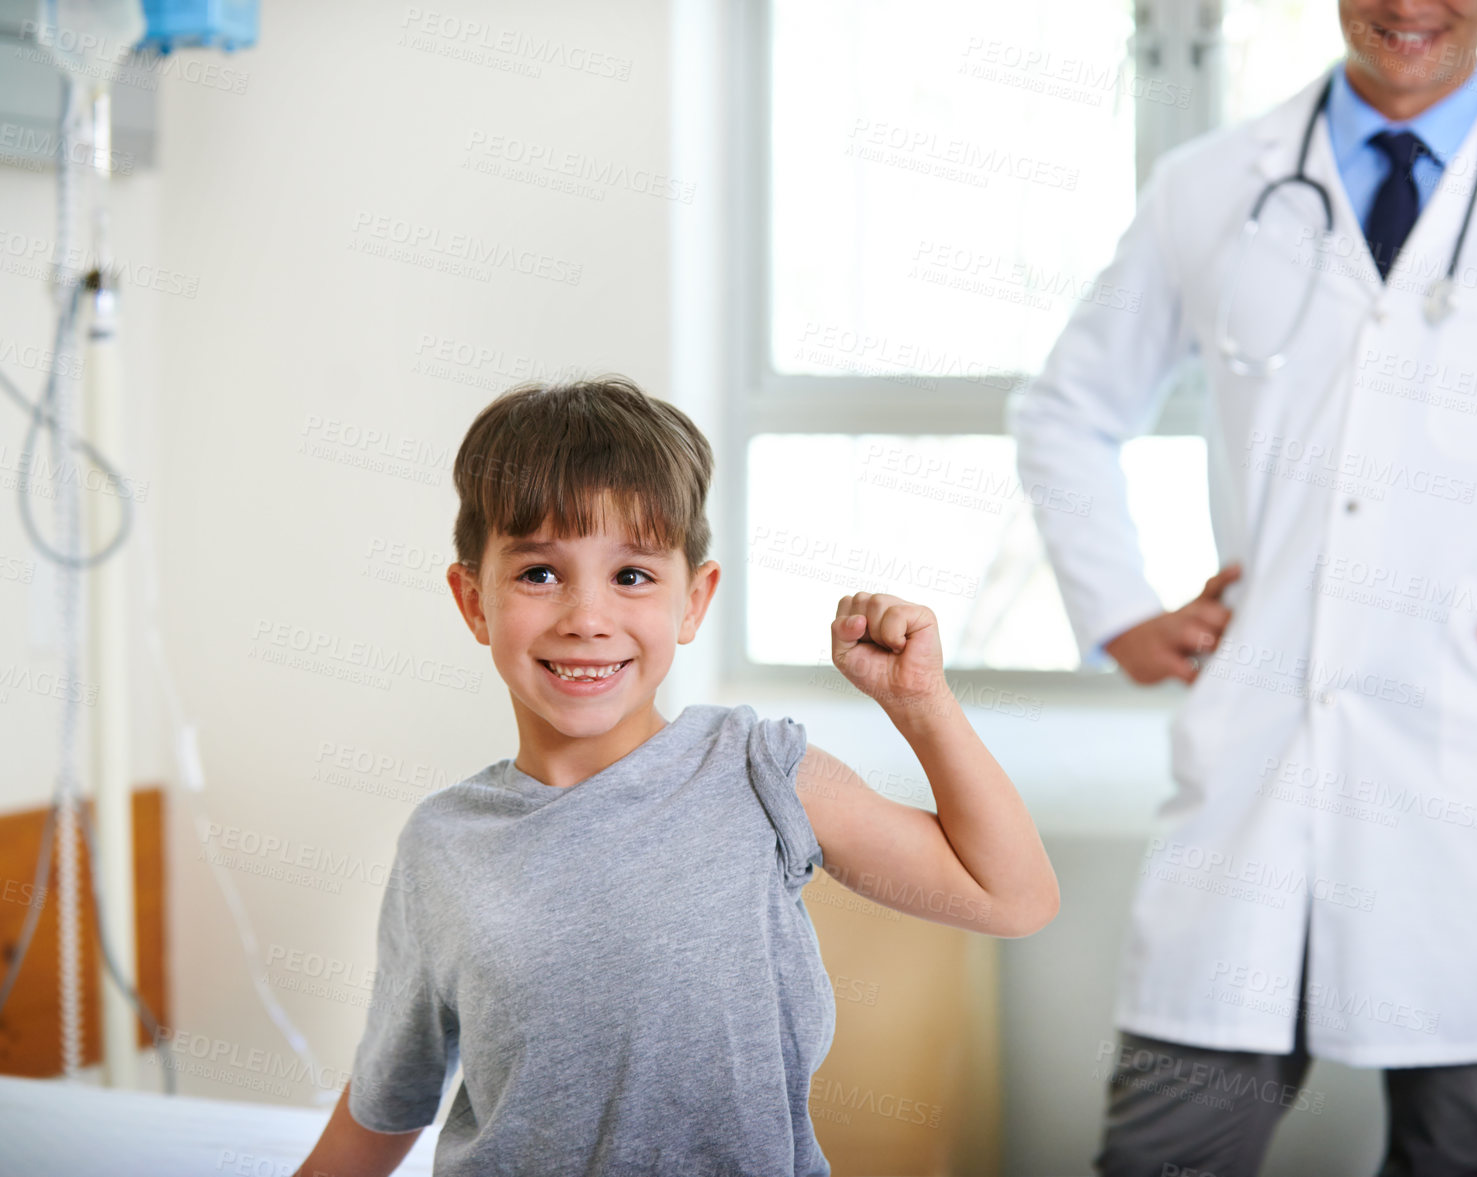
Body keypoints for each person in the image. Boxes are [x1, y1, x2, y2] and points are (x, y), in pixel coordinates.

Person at [1010, 1, 1477, 1175]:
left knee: (1462, 1159)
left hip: (1473, 789)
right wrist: (1117, 607)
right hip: (1256, 781)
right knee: (1160, 1154)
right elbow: (1064, 411)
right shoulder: (1210, 184)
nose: (1410, 4)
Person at [289, 377, 1060, 1177]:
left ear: (694, 600)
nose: (586, 616)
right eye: (539, 574)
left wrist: (921, 703)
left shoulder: (761, 774)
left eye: (631, 575)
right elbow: (385, 1106)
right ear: (472, 599)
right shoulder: (442, 845)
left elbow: (1014, 897)